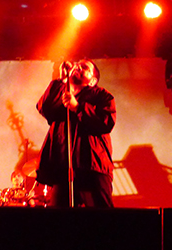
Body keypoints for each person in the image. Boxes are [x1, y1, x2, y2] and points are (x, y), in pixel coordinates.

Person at [35, 59, 116, 208]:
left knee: (102, 215)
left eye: (84, 67)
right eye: (77, 65)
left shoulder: (101, 95)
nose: (77, 67)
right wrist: (62, 79)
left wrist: (78, 107)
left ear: (93, 81)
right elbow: (44, 108)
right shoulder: (61, 93)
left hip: (93, 167)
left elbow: (107, 121)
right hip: (63, 168)